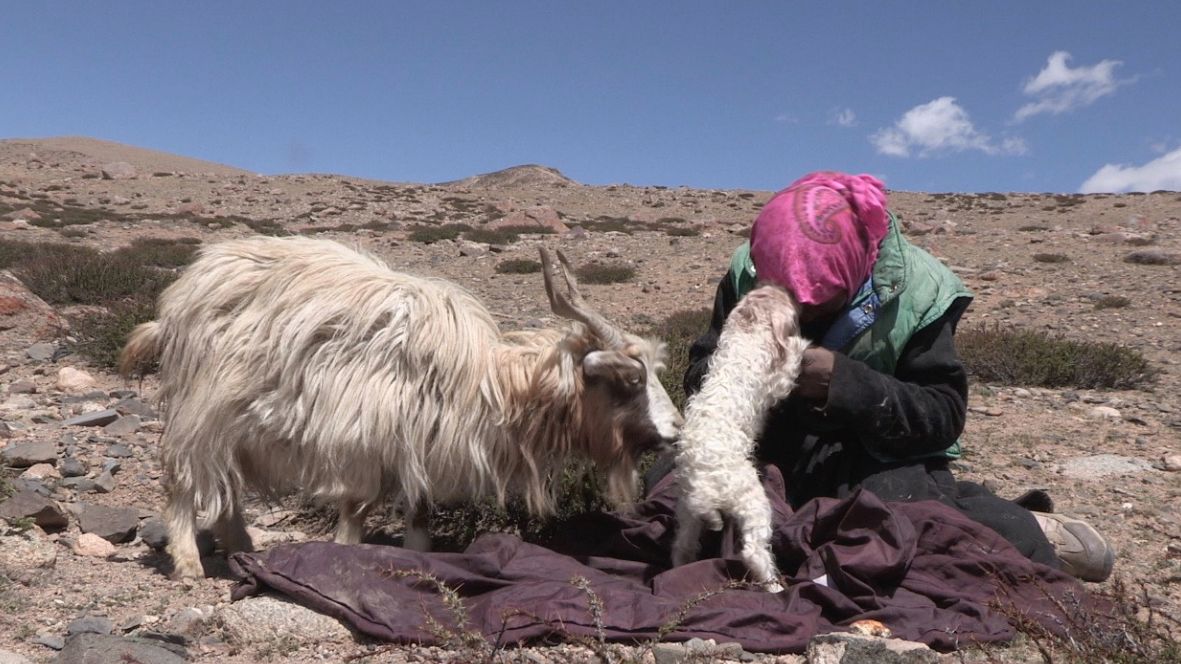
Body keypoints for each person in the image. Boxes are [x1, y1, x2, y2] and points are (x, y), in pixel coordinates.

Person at [654, 171, 1114, 583]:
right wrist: (743, 371)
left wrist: (845, 385)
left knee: (903, 529)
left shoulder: (922, 291)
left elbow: (941, 416)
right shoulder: (754, 268)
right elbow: (701, 373)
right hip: (768, 443)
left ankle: (1031, 529)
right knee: (672, 490)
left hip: (867, 455)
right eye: (787, 296)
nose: (798, 310)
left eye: (819, 303)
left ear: (854, 270)